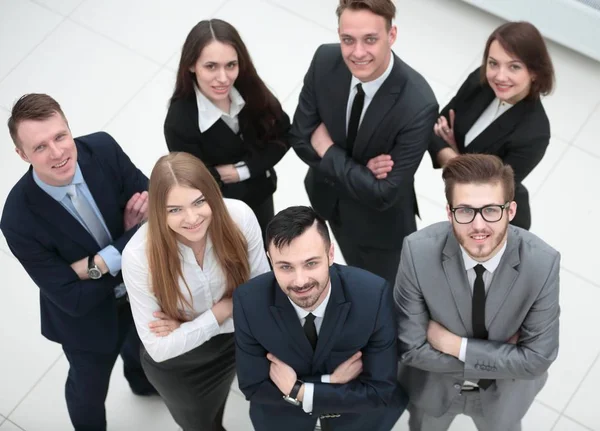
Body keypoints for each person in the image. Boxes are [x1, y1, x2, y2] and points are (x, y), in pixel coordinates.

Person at [0, 94, 155, 431]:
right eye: (40, 147)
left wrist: (98, 261)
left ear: (70, 129)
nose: (57, 153)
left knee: (140, 347)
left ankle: (142, 383)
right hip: (87, 322)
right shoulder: (17, 218)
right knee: (87, 391)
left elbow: (154, 208)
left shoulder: (102, 148)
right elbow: (71, 297)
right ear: (22, 154)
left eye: (60, 137)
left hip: (140, 291)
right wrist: (129, 238)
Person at [394, 154, 560, 431]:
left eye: (491, 210)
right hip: (433, 390)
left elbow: (536, 361)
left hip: (505, 397)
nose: (479, 225)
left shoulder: (543, 263)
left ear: (511, 211)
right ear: (449, 213)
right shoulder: (416, 251)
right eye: (465, 211)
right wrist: (508, 358)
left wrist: (456, 346)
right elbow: (410, 349)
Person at [290, 0, 438, 284]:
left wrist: (328, 149)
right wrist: (360, 171)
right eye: (348, 40)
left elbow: (384, 193)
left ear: (391, 35)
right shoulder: (324, 60)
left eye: (370, 39)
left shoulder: (419, 105)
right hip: (328, 201)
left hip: (378, 228)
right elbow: (299, 136)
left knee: (386, 292)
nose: (357, 53)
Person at [121, 152, 270, 431]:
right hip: (182, 368)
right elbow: (159, 348)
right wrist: (221, 311)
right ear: (157, 210)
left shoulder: (238, 216)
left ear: (212, 194)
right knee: (202, 425)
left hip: (239, 342)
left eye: (199, 201)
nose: (192, 218)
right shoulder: (139, 255)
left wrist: (185, 326)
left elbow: (262, 303)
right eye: (174, 209)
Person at [233, 206, 407, 431]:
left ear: (330, 254)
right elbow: (253, 387)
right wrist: (330, 383)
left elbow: (380, 390)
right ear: (270, 259)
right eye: (285, 266)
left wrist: (298, 390)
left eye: (311, 263)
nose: (299, 281)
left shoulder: (373, 295)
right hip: (283, 421)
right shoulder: (249, 301)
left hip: (355, 421)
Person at [164, 19, 290, 240]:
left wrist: (241, 171)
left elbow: (283, 135)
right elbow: (194, 181)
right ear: (191, 66)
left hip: (261, 194)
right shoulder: (179, 122)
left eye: (231, 65)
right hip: (221, 212)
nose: (223, 79)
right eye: (211, 66)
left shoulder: (251, 89)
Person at [428, 21, 555, 230]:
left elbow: (484, 191)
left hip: (493, 220)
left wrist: (453, 156)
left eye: (514, 66)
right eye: (493, 63)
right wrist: (461, 162)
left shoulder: (535, 134)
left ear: (534, 72)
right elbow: (435, 127)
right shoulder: (480, 82)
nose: (499, 76)